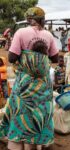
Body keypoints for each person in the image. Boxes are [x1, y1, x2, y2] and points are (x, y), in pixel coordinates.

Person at [0, 7, 59, 150]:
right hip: (43, 83)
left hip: (25, 83)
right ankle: (40, 144)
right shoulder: (48, 35)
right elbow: (55, 58)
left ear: (28, 19)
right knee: (42, 111)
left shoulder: (21, 32)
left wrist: (27, 55)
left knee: (21, 111)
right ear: (42, 20)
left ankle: (19, 144)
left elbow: (12, 58)